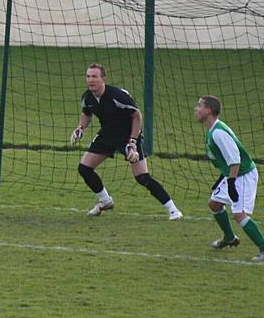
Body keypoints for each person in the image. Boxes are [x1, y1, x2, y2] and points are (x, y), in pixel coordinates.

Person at [70, 63, 183, 220]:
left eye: (94, 76)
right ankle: (105, 200)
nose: (90, 80)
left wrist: (133, 142)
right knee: (84, 168)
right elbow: (87, 113)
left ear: (103, 79)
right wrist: (80, 128)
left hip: (127, 135)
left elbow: (136, 116)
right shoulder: (87, 97)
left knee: (142, 177)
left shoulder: (117, 96)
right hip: (107, 135)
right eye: (88, 76)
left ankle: (173, 210)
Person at [194, 96, 264, 262]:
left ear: (208, 111)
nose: (195, 109)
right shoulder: (213, 130)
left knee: (239, 214)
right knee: (214, 204)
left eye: (199, 106)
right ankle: (229, 237)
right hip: (233, 174)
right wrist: (222, 179)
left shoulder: (218, 133)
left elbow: (235, 160)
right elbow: (227, 160)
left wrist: (231, 183)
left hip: (243, 175)